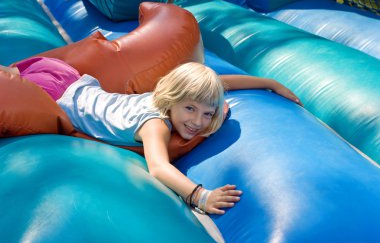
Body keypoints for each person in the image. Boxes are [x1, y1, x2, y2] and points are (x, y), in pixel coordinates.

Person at [1, 58, 301, 214]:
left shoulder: (173, 99)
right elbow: (158, 167)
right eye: (190, 110)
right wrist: (201, 196)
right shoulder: (155, 124)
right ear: (173, 100)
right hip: (54, 92)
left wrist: (270, 83)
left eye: (208, 114)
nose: (198, 122)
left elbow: (221, 83)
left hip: (70, 79)